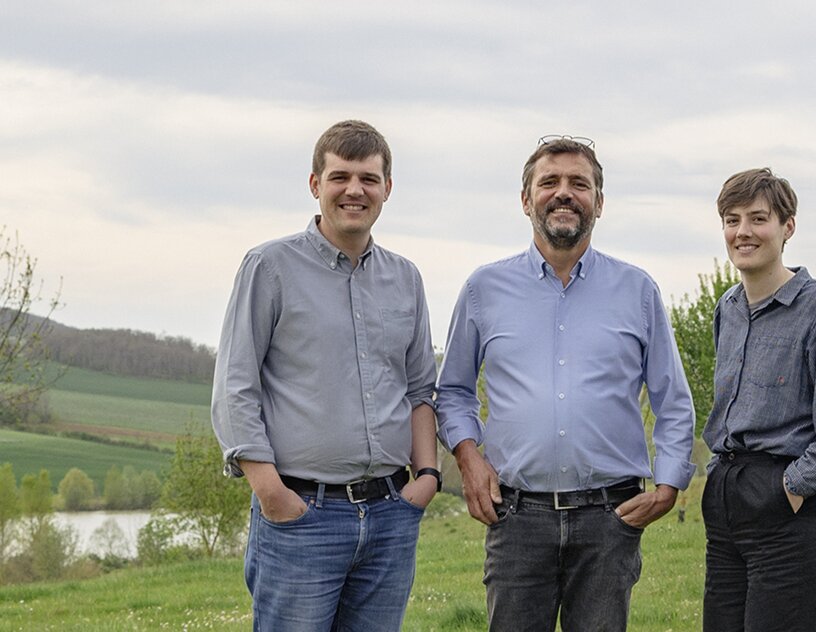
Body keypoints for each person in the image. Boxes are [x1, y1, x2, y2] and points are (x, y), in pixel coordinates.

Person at [436, 135, 696, 631]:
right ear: (525, 199)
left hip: (610, 518)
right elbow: (452, 392)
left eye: (579, 183)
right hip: (516, 519)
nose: (564, 193)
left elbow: (673, 400)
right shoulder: (483, 289)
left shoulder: (637, 290)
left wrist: (668, 484)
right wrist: (468, 459)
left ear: (599, 201)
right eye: (549, 182)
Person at [211, 119, 441, 631]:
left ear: (387, 189)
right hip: (301, 516)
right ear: (316, 185)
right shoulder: (269, 267)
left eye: (368, 178)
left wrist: (426, 478)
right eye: (340, 177)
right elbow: (235, 386)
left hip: (390, 514)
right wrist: (272, 493)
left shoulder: (406, 278)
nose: (354, 190)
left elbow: (420, 389)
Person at [702, 167, 816, 631]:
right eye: (731, 219)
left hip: (787, 517)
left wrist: (790, 490)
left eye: (758, 219)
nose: (743, 232)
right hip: (726, 509)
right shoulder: (728, 309)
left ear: (788, 227)